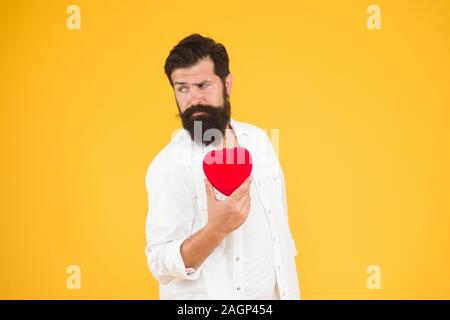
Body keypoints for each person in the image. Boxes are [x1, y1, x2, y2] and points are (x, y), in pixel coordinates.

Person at [145, 34, 300, 299]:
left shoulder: (259, 142)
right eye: (182, 88)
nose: (193, 98)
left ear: (227, 84)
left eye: (203, 85)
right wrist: (216, 230)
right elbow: (160, 263)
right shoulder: (169, 165)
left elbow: (278, 235)